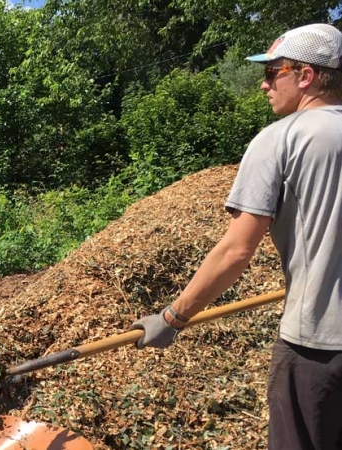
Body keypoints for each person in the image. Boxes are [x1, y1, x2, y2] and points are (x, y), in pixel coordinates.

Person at [130, 23, 342, 450]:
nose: (263, 84)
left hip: (319, 345)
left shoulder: (282, 138)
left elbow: (236, 250)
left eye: (272, 72)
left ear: (306, 75)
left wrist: (172, 318)